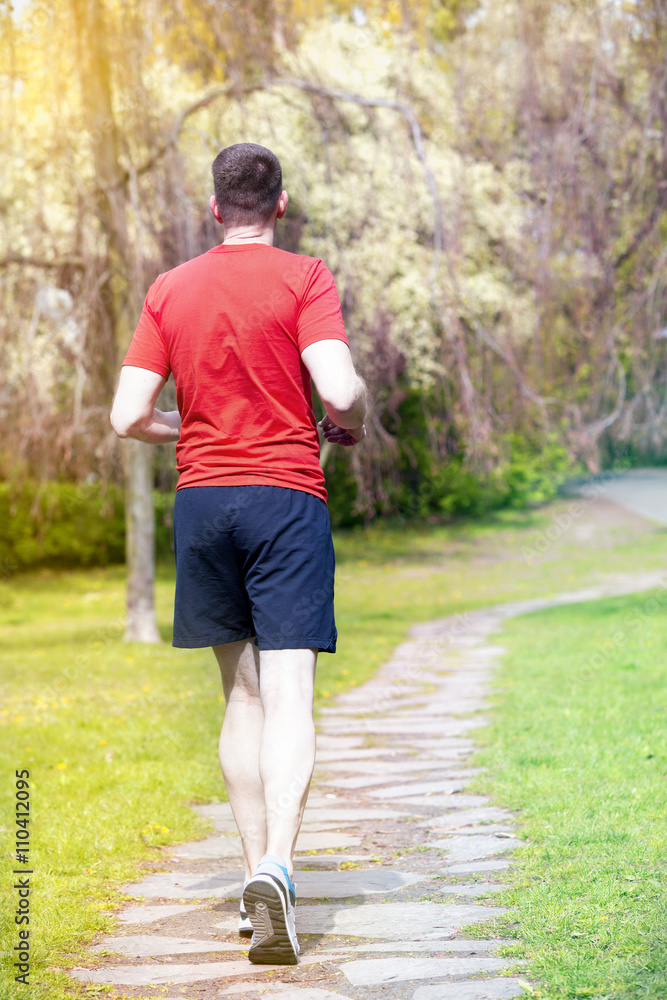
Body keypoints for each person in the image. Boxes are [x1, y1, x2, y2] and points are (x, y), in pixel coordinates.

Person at [110, 142, 367, 966]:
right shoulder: (304, 278)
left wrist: (193, 431)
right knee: (290, 692)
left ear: (216, 208)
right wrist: (353, 417)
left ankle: (254, 880)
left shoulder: (169, 289)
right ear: (280, 205)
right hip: (285, 495)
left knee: (241, 700)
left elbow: (126, 414)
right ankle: (281, 870)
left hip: (203, 503)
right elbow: (336, 387)